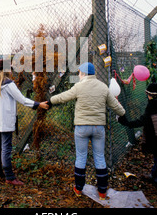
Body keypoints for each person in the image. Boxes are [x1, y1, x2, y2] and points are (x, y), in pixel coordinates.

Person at [41, 62, 126, 200]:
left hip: (82, 127)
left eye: (79, 72)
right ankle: (102, 191)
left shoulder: (79, 86)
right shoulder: (103, 87)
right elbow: (115, 105)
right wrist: (123, 114)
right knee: (99, 157)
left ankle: (79, 188)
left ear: (84, 73)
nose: (79, 74)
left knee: (81, 157)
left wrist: (50, 101)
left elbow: (63, 96)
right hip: (98, 127)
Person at [0, 60, 46, 185]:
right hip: (6, 122)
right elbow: (22, 99)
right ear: (7, 70)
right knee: (6, 148)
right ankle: (10, 177)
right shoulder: (9, 84)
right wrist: (38, 104)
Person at [117, 83, 157, 194]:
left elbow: (143, 120)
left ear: (151, 95)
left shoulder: (153, 106)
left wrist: (127, 123)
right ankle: (154, 176)